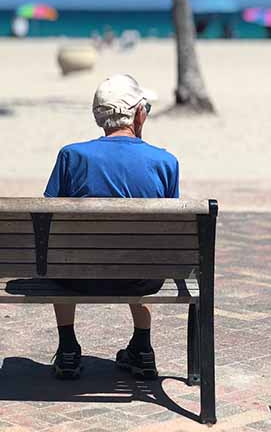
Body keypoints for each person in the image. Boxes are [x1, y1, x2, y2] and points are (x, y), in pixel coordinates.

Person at [44, 74, 179, 381]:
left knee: (61, 253)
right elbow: (168, 232)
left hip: (77, 278)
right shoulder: (165, 162)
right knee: (143, 249)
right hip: (141, 279)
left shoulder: (72, 156)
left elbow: (49, 218)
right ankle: (142, 347)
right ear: (139, 114)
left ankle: (67, 348)